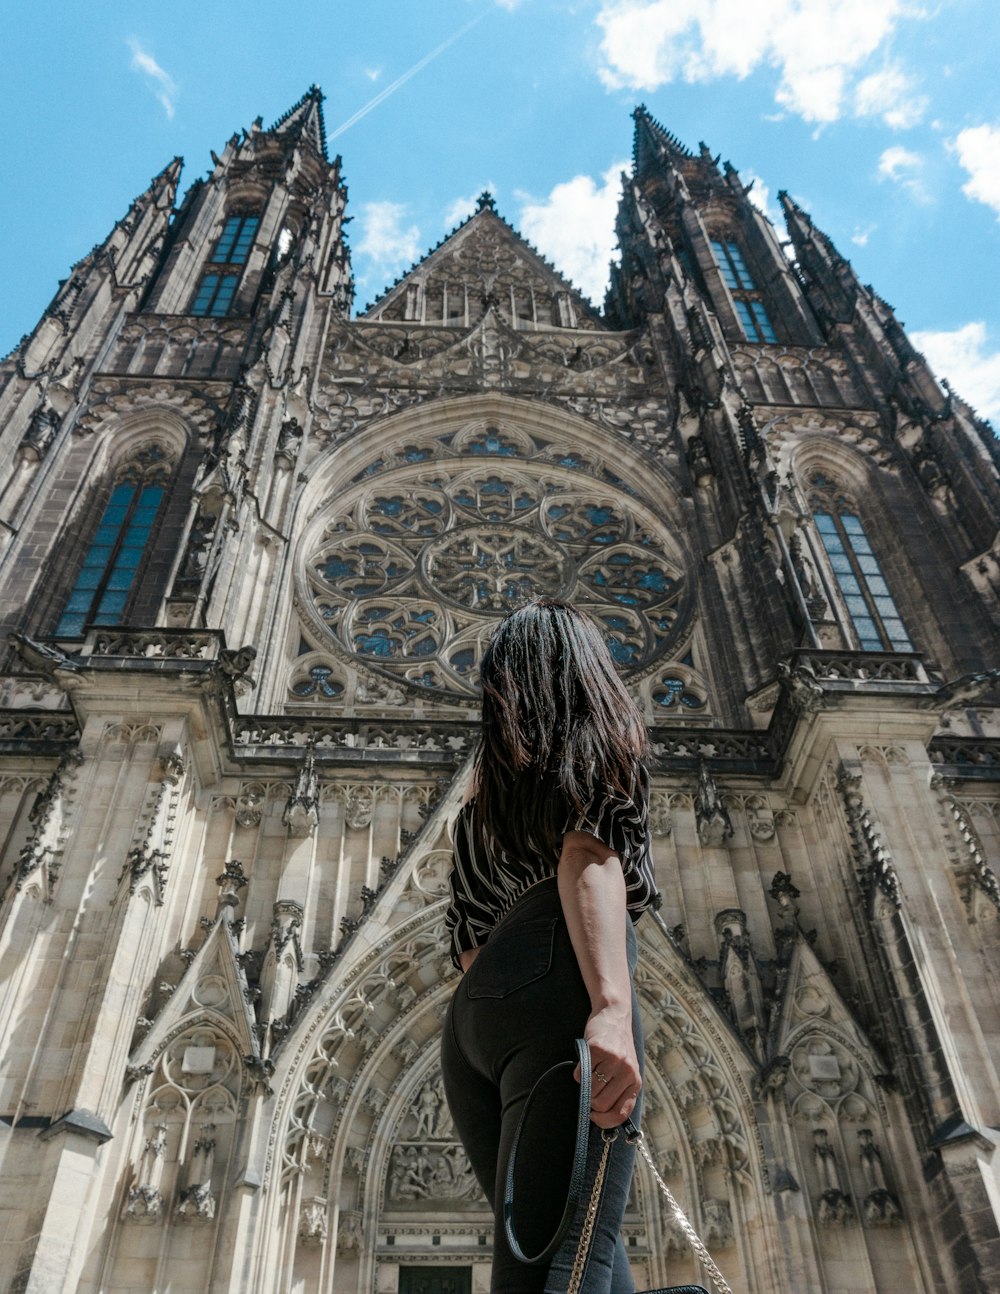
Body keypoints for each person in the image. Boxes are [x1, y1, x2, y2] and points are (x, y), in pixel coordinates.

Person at [441, 599, 658, 1293]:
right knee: (561, 1265)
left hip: (475, 1024)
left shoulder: (481, 795)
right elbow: (587, 855)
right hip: (561, 975)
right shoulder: (594, 735)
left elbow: (469, 943)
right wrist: (611, 1005)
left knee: (576, 1243)